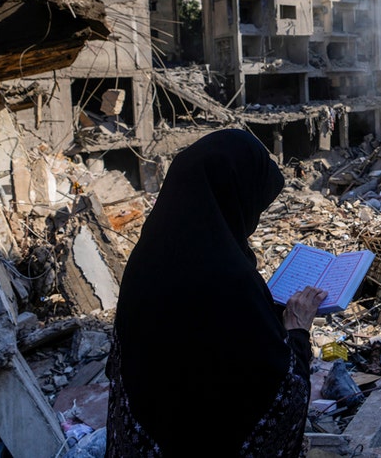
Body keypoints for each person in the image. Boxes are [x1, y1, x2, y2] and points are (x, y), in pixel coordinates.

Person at [106, 129, 327, 457]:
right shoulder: (227, 276)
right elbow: (279, 392)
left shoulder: (148, 256)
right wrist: (295, 330)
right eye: (254, 205)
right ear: (231, 195)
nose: (253, 218)